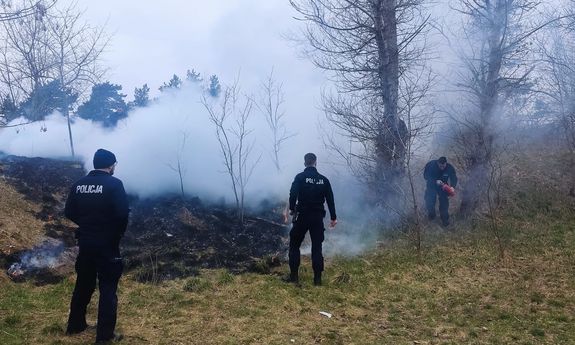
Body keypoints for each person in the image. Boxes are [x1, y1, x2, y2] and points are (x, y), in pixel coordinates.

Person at [64, 149, 129, 343]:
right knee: (108, 288)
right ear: (110, 165)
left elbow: (69, 212)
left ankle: (75, 326)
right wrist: (116, 233)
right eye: (114, 165)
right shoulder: (114, 184)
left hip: (86, 242)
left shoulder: (79, 185)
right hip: (107, 245)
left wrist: (86, 224)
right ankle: (104, 336)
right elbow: (122, 214)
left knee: (83, 284)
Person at [286, 153, 337, 286]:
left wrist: (292, 208)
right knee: (317, 247)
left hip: (302, 215)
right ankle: (317, 280)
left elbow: (293, 194)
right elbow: (330, 199)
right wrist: (333, 217)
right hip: (317, 217)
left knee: (294, 244)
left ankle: (293, 277)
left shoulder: (300, 177)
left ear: (305, 163)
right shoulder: (324, 180)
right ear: (315, 162)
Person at [423, 156, 457, 227]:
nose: (442, 168)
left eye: (443, 166)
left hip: (443, 186)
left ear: (446, 163)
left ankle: (445, 220)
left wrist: (452, 187)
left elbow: (454, 178)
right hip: (431, 185)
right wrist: (435, 181)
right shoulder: (431, 165)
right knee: (430, 200)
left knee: (444, 202)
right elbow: (425, 176)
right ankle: (432, 216)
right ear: (437, 163)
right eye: (440, 166)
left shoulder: (449, 167)